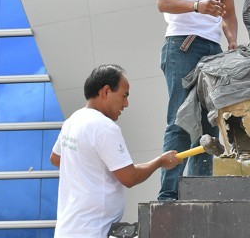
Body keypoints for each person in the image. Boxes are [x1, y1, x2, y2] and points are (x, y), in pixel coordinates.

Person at [156, 0, 239, 200]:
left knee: (208, 124)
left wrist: (232, 41)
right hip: (182, 42)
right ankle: (168, 196)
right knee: (180, 119)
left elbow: (229, 12)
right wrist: (196, 6)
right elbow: (163, 0)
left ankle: (198, 197)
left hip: (213, 49)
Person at [50, 64, 181, 238]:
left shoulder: (73, 121)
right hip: (94, 231)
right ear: (105, 91)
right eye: (124, 96)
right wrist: (160, 162)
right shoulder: (104, 127)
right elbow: (130, 177)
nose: (126, 104)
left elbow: (56, 159)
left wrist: (90, 171)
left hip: (67, 230)